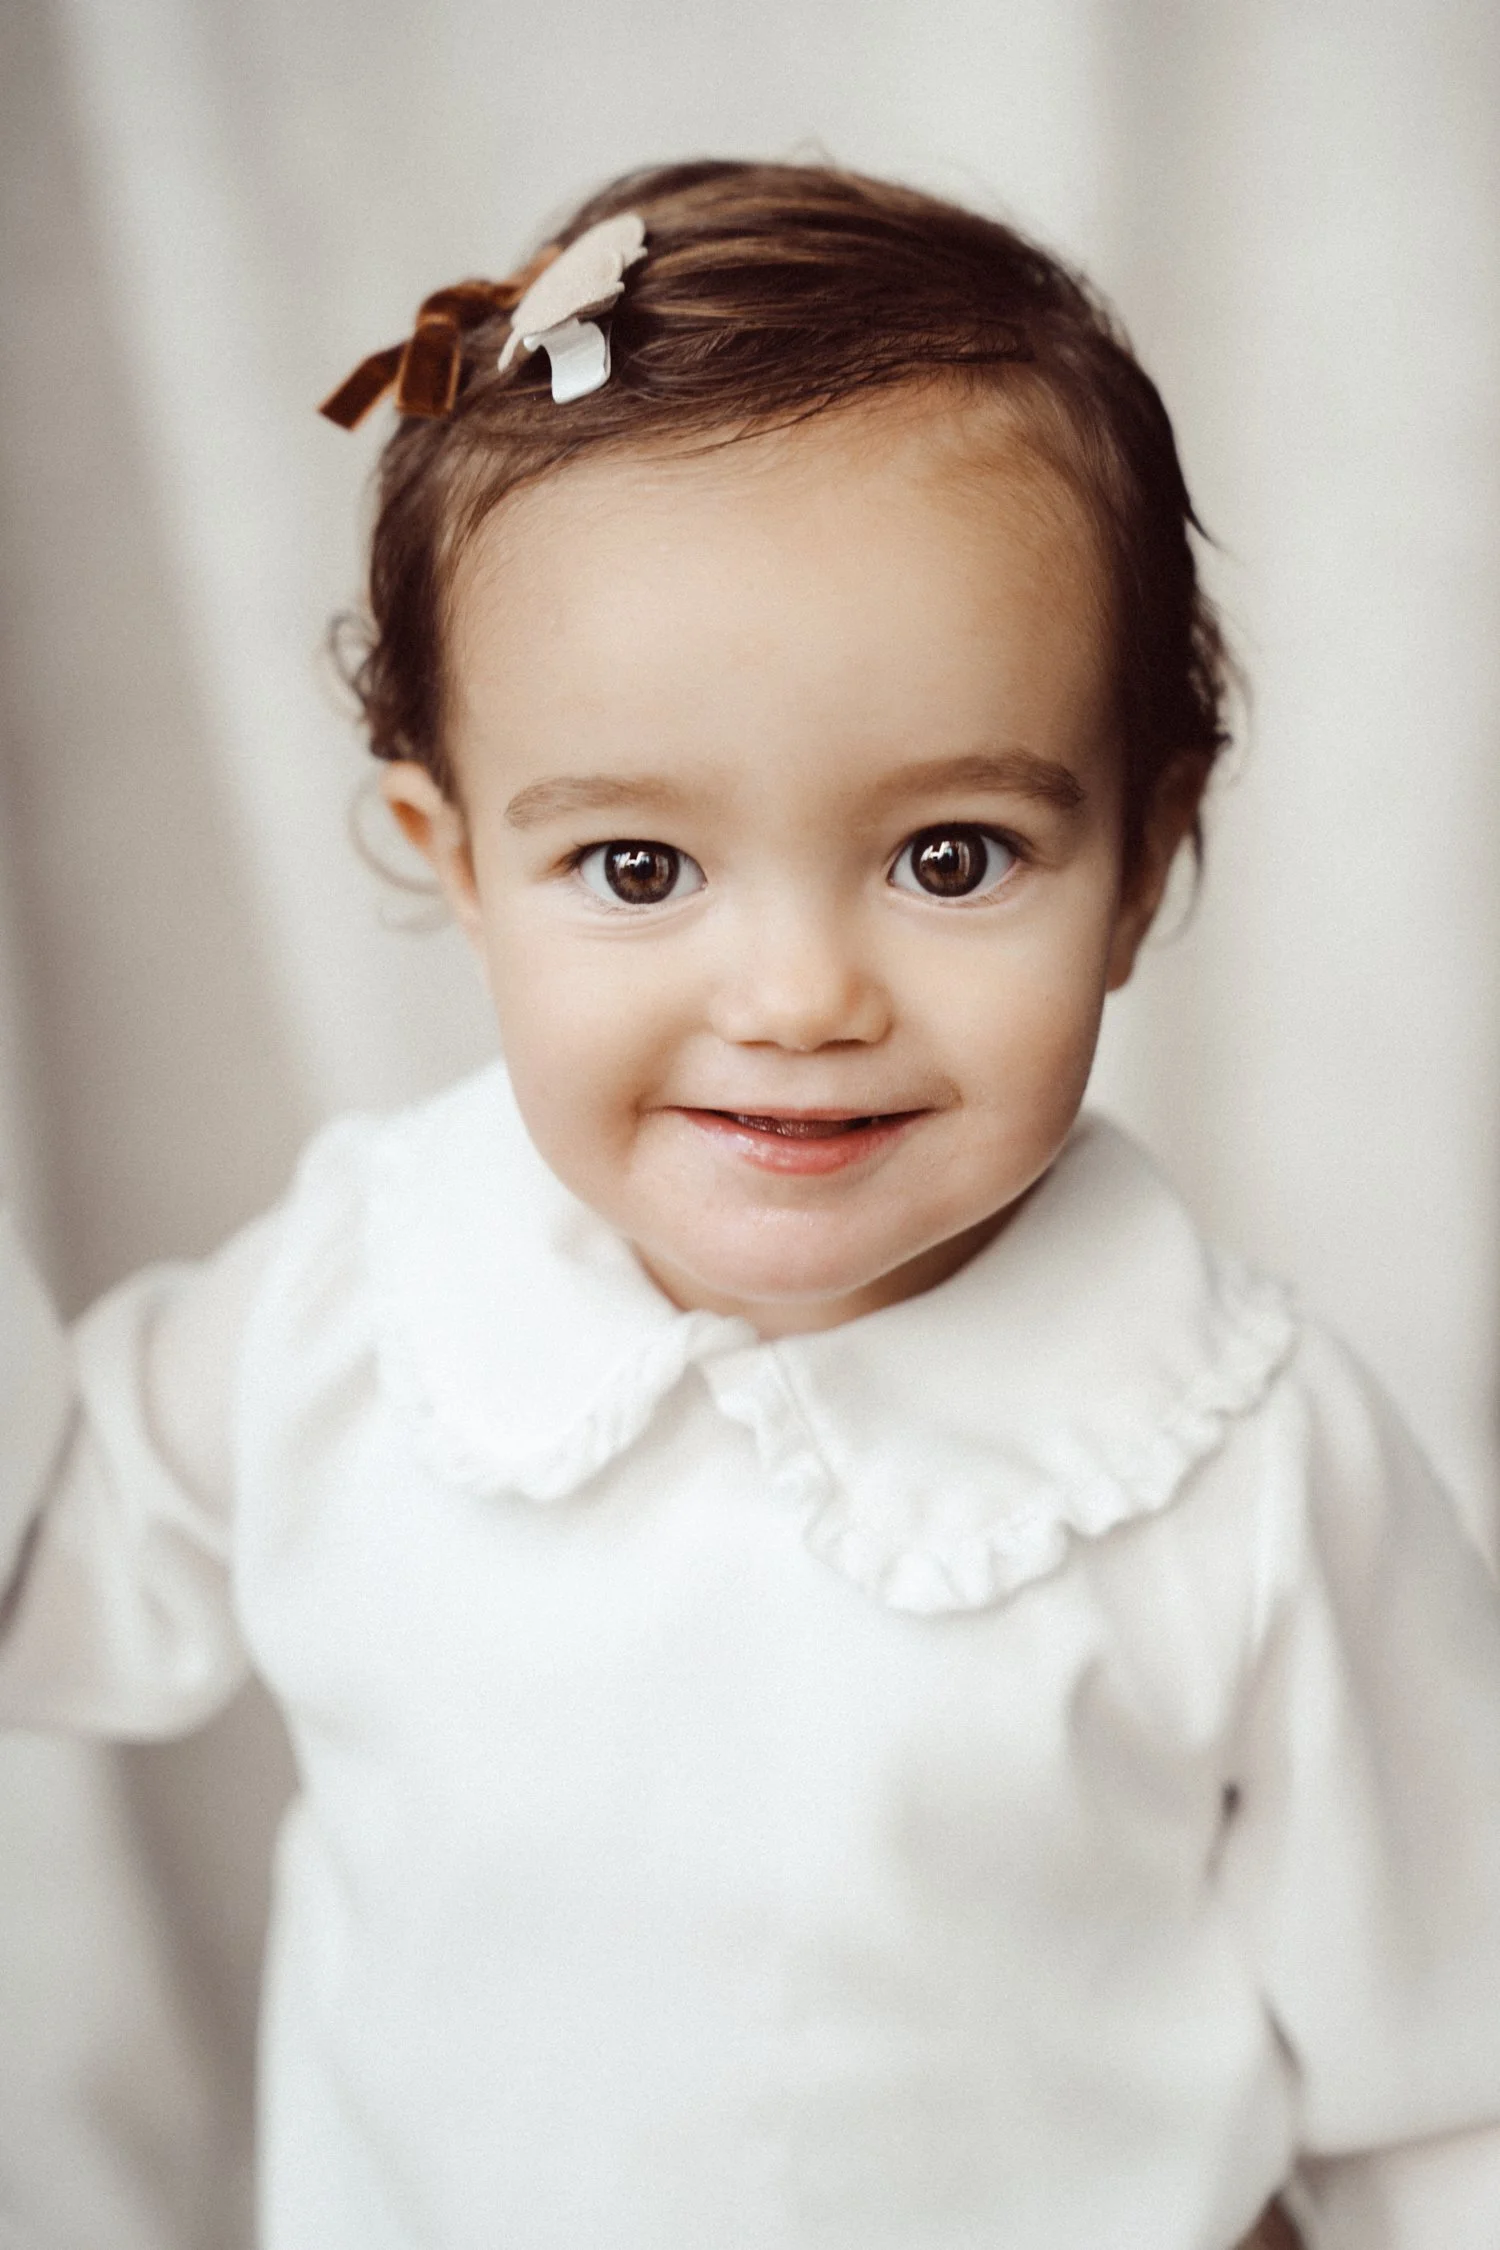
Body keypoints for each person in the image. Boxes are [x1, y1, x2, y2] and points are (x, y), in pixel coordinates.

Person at [3, 159, 1499, 2250]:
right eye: (638, 869)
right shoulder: (370, 1302)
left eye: (955, 855)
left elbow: (1454, 2087)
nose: (800, 1000)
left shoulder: (1238, 1467)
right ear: (451, 859)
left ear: (1145, 862)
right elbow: (51, 1552)